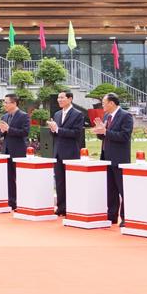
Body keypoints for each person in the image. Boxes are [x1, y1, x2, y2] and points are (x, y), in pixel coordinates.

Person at [90, 92, 133, 226]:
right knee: (110, 189)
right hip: (106, 156)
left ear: (112, 103)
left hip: (119, 157)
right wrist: (100, 131)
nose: (102, 105)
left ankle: (126, 217)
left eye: (104, 103)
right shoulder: (107, 116)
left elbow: (124, 136)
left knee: (122, 189)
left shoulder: (126, 116)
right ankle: (111, 215)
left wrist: (106, 132)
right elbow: (105, 136)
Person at [47, 90, 85, 216]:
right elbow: (55, 134)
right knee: (59, 181)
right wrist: (52, 129)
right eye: (58, 98)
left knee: (71, 182)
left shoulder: (78, 114)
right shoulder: (57, 114)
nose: (59, 100)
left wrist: (58, 129)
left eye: (62, 98)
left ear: (70, 99)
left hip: (71, 152)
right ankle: (61, 207)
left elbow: (76, 133)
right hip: (58, 151)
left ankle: (72, 207)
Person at [0, 93, 30, 210]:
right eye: (4, 102)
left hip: (18, 150)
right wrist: (1, 130)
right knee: (9, 177)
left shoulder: (23, 116)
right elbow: (0, 134)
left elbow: (25, 132)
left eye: (6, 102)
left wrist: (9, 129)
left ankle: (22, 201)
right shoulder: (5, 116)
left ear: (14, 103)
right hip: (6, 150)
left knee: (19, 177)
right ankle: (11, 202)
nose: (4, 104)